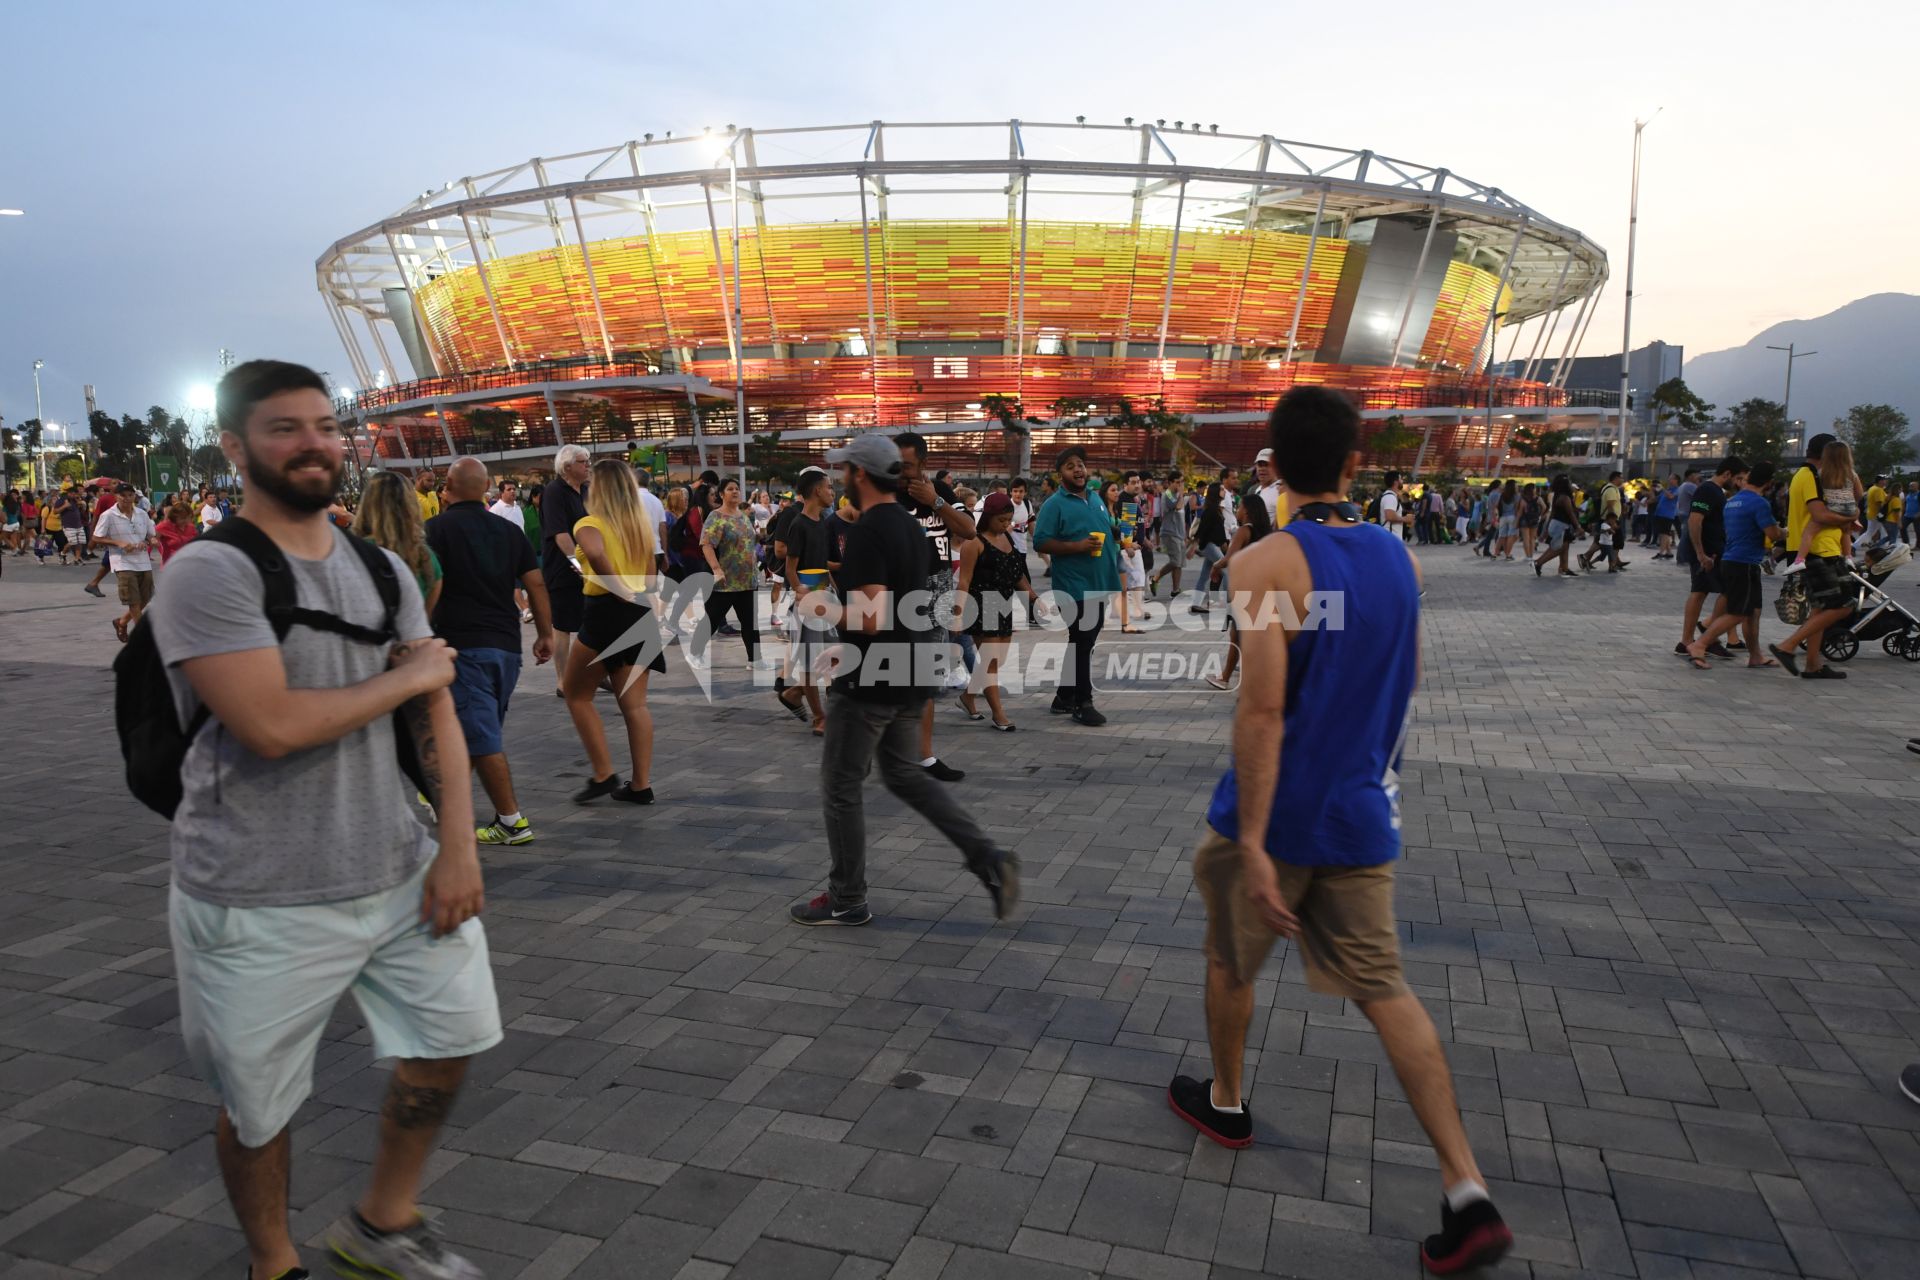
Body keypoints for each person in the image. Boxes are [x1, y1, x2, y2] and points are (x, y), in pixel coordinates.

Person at [146, 359, 496, 1280]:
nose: (314, 445)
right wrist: (411, 674)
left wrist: (457, 846)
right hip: (257, 891)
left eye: (325, 426)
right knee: (259, 1108)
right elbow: (269, 727)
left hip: (399, 868)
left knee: (450, 1042)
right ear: (234, 447)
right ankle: (274, 1263)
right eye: (283, 428)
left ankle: (382, 1223)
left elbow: (437, 719)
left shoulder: (381, 568)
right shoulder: (207, 573)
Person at [1167, 386, 1511, 1275]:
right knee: (1386, 991)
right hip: (1362, 812)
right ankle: (1465, 1188)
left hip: (1277, 818)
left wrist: (1252, 839)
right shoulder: (1404, 562)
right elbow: (1404, 685)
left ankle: (1230, 1100)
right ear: (1356, 463)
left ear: (1272, 465)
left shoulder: (1265, 566)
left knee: (1229, 959)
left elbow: (1264, 708)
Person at [787, 434, 1019, 927]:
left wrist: (820, 606)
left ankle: (847, 897)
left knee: (841, 786)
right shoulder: (913, 529)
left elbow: (871, 616)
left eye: (846, 470)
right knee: (905, 774)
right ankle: (987, 857)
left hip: (872, 678)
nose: (841, 479)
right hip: (912, 669)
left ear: (862, 475)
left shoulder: (870, 529)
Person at [427, 458, 556, 846]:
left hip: (462, 648)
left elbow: (429, 585)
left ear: (447, 486)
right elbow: (536, 584)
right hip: (505, 648)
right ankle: (446, 803)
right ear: (487, 487)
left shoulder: (434, 531)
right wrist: (546, 634)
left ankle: (512, 821)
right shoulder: (508, 531)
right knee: (475, 730)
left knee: (481, 736)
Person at [564, 458, 664, 802]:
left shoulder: (589, 522)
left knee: (575, 693)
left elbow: (592, 550)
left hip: (605, 612)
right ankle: (641, 784)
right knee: (635, 706)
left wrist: (613, 582)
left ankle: (604, 772)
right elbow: (651, 577)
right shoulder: (639, 528)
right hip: (639, 612)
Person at [895, 433, 976, 780]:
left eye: (907, 465)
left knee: (926, 681)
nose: (900, 471)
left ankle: (925, 757)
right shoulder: (886, 497)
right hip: (896, 598)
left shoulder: (939, 495)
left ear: (924, 464)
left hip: (934, 599)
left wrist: (936, 502)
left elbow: (969, 531)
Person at [1034, 444, 1119, 726]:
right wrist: (1079, 546)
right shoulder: (1054, 504)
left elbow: (1104, 530)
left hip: (1100, 582)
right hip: (1072, 586)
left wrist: (1123, 538)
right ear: (1060, 475)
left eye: (1080, 464)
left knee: (1083, 643)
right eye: (1070, 466)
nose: (1078, 469)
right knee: (1083, 643)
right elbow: (1041, 542)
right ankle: (1083, 703)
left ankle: (1063, 697)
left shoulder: (1094, 498)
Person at [1770, 435, 1859, 680]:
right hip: (1820, 551)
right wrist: (1848, 519)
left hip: (1812, 549)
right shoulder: (1810, 476)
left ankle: (1813, 664)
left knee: (1820, 609)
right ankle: (1786, 646)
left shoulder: (1803, 475)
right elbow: (1820, 515)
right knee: (1843, 605)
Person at [954, 491, 1038, 731]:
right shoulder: (974, 542)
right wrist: (959, 614)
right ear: (988, 516)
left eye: (1008, 520)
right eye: (1001, 520)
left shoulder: (1007, 539)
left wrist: (1034, 598)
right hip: (981, 606)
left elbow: (1017, 574)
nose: (1006, 524)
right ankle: (998, 714)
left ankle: (967, 698)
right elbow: (964, 581)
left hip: (1003, 605)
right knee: (990, 662)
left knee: (995, 661)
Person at [1686, 461, 1781, 670]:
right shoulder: (1759, 503)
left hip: (1732, 559)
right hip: (1744, 563)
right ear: (1769, 482)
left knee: (1753, 611)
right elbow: (1773, 534)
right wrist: (1788, 532)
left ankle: (1755, 655)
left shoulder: (1733, 501)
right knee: (1738, 612)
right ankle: (1699, 644)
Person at [1204, 480, 1278, 692]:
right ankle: (1226, 677)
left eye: (1240, 507)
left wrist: (1216, 567)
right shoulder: (1266, 532)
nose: (1237, 510)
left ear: (1247, 511)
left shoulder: (1245, 530)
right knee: (1239, 635)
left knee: (1243, 637)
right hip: (1261, 588)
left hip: (1244, 590)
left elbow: (1229, 557)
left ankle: (1246, 681)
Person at [776, 468, 834, 735]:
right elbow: (790, 566)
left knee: (836, 654)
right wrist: (800, 589)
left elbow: (824, 563)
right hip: (807, 600)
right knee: (811, 661)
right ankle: (819, 716)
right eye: (829, 487)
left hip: (826, 596)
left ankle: (795, 692)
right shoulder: (799, 524)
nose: (832, 492)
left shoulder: (823, 521)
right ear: (816, 491)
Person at [351, 471, 443, 617]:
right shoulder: (427, 558)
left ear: (366, 504)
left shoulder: (352, 553)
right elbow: (424, 620)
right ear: (411, 505)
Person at [540, 445, 593, 695]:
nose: (588, 465)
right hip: (563, 568)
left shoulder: (585, 490)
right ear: (567, 466)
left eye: (588, 461)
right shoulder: (554, 492)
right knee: (562, 625)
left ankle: (592, 673)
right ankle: (563, 681)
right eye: (583, 462)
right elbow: (560, 534)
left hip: (588, 567)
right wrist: (577, 563)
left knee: (591, 622)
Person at [1673, 457, 1738, 660]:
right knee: (1725, 592)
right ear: (1727, 474)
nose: (1738, 483)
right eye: (1738, 478)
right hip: (1708, 553)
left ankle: (1690, 640)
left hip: (1712, 551)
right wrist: (1700, 553)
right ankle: (1706, 638)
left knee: (1700, 591)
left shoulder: (1716, 491)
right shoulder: (1707, 490)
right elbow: (1695, 520)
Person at [694, 477, 763, 668]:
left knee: (750, 622)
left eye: (737, 488)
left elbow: (747, 542)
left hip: (748, 579)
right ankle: (696, 653)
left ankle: (755, 660)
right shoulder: (716, 516)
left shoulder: (742, 515)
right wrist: (716, 569)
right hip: (726, 580)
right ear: (722, 494)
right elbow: (706, 544)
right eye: (730, 489)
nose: (735, 491)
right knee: (713, 620)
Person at [92, 483, 158, 642]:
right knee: (133, 599)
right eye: (123, 495)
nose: (127, 499)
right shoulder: (108, 515)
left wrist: (152, 540)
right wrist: (118, 543)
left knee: (146, 597)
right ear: (116, 496)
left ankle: (121, 622)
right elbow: (96, 537)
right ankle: (143, 636)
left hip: (143, 561)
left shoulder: (142, 514)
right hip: (122, 562)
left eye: (130, 495)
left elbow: (151, 534)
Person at [1148, 471, 1191, 598]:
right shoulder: (1168, 494)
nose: (1180, 484)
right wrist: (1182, 494)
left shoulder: (1177, 494)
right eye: (1178, 482)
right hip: (1169, 532)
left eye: (1182, 482)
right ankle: (1155, 578)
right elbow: (1177, 507)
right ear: (1170, 482)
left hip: (1179, 533)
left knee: (1180, 564)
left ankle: (1175, 590)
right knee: (1175, 561)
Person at [1531, 474, 1583, 578]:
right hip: (1561, 526)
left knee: (1565, 547)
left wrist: (1546, 530)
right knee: (1558, 548)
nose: (1570, 484)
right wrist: (1578, 526)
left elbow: (1553, 514)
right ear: (1565, 485)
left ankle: (1564, 568)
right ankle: (1538, 562)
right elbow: (1570, 514)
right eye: (1569, 482)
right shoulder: (1565, 498)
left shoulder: (1557, 496)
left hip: (1557, 524)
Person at [1192, 482, 1230, 611]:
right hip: (1210, 546)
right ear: (1216, 492)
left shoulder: (1213, 508)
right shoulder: (1212, 510)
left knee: (1204, 575)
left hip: (1210, 545)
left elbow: (1208, 530)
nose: (1224, 491)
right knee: (1227, 571)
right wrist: (1193, 546)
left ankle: (1195, 604)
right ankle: (1227, 602)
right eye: (1222, 489)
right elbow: (1204, 530)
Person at [155, 497, 199, 564]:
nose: (186, 521)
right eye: (182, 518)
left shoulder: (191, 527)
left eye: (188, 518)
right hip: (170, 565)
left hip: (189, 565)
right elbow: (154, 539)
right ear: (174, 517)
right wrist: (155, 541)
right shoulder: (164, 526)